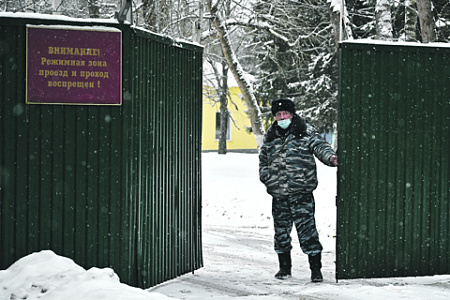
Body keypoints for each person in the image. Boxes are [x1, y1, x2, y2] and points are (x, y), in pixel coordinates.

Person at [259, 98, 338, 283]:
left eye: (285, 113)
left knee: (308, 232)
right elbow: (263, 159)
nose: (282, 117)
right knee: (281, 234)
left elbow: (320, 146)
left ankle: (316, 270)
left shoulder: (305, 132)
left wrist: (331, 158)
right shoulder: (271, 136)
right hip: (279, 194)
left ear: (292, 114)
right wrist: (266, 177)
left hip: (301, 192)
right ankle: (284, 268)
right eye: (278, 114)